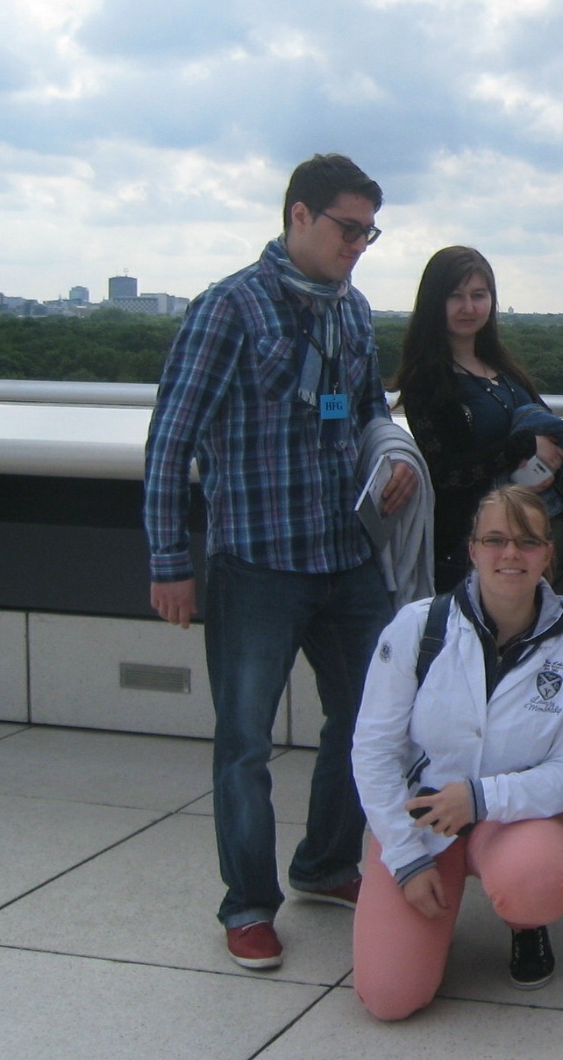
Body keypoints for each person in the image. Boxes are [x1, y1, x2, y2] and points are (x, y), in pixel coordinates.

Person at [143, 153, 415, 971]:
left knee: (371, 720)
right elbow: (170, 442)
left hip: (345, 559)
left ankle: (326, 864)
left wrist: (394, 461)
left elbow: (368, 412)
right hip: (255, 564)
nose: (358, 244)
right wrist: (169, 561)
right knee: (246, 743)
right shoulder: (230, 308)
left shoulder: (353, 312)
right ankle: (248, 904)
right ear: (298, 215)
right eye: (347, 227)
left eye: (369, 230)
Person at [349, 487, 563, 1017]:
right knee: (389, 998)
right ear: (472, 550)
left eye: (528, 542)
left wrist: (480, 799)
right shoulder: (419, 628)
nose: (511, 554)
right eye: (495, 540)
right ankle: (426, 901)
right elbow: (372, 751)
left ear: (548, 554)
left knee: (535, 884)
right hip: (422, 818)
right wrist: (403, 858)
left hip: (512, 818)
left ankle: (525, 923)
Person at [394, 246, 563, 594]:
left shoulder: (504, 368)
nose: (469, 307)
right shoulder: (427, 380)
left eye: (479, 295)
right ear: (434, 302)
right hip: (473, 551)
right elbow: (447, 472)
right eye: (455, 296)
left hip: (540, 538)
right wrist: (522, 447)